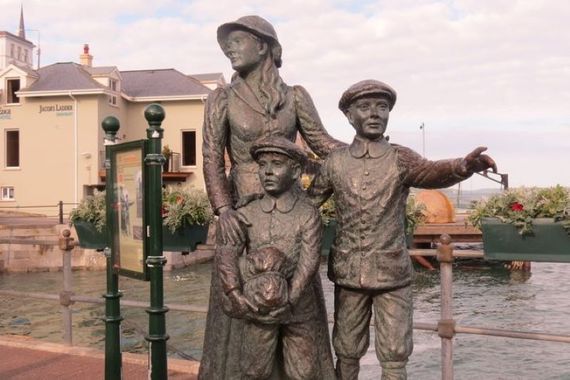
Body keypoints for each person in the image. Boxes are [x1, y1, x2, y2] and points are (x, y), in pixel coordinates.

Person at [308, 79, 497, 380]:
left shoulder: (400, 158)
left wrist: (463, 165)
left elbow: (432, 172)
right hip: (348, 273)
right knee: (345, 349)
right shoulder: (335, 163)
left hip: (392, 275)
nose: (374, 113)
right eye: (365, 107)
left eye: (382, 107)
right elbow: (307, 206)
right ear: (348, 115)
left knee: (395, 355)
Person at [199, 15, 342, 379]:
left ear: (263, 45)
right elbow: (212, 158)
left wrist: (367, 150)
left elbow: (323, 145)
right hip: (242, 216)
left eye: (237, 40)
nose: (229, 48)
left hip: (290, 214)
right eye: (226, 43)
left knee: (296, 300)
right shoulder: (222, 98)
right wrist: (223, 210)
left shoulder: (295, 97)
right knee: (241, 308)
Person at [215, 136, 332, 379]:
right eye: (262, 165)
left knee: (303, 372)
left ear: (296, 171)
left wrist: (291, 299)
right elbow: (227, 253)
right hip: (257, 306)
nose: (267, 171)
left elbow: (309, 262)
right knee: (254, 370)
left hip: (298, 306)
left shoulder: (307, 214)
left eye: (276, 164)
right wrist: (234, 293)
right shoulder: (246, 212)